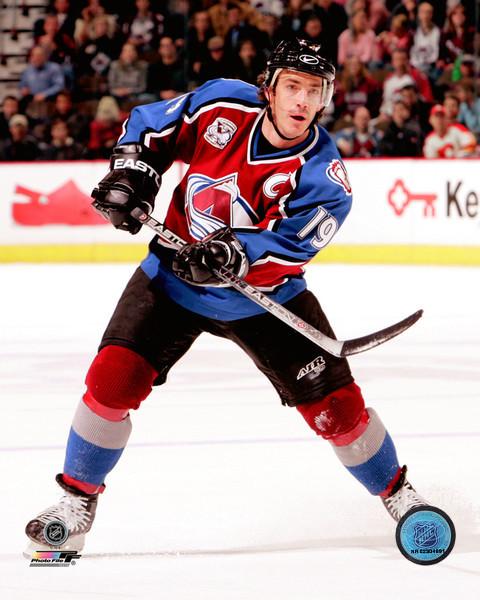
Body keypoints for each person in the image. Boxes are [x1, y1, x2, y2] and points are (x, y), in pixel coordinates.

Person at [25, 39, 437, 554]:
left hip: (265, 298)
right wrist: (133, 176)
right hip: (171, 280)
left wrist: (235, 252)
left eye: (314, 90)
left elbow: (295, 245)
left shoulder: (324, 175)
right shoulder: (222, 103)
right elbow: (154, 126)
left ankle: (399, 495)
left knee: (337, 409)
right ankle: (75, 501)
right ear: (269, 88)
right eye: (292, 86)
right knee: (109, 383)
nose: (302, 101)